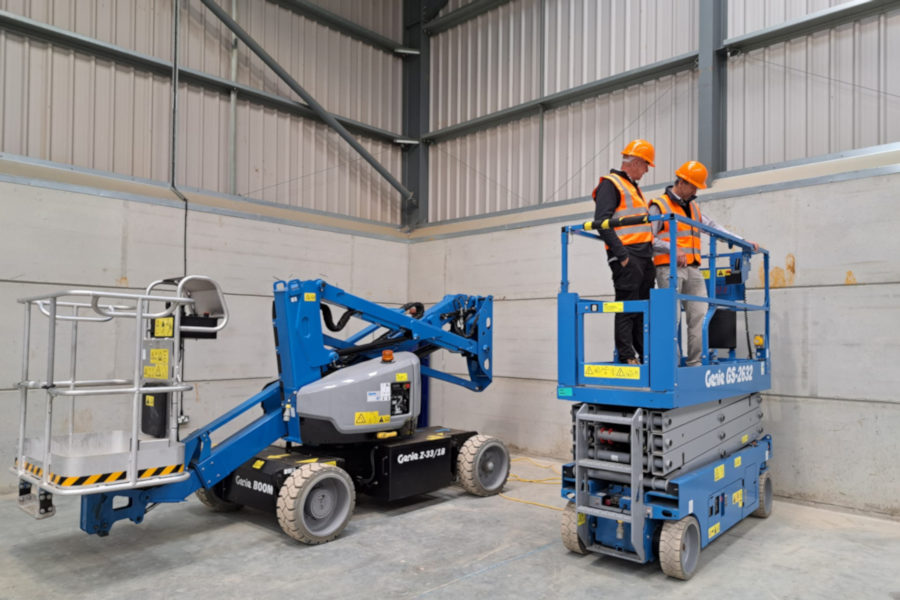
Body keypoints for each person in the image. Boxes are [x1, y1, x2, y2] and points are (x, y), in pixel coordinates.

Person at [649, 160, 759, 366]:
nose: (694, 192)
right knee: (670, 320)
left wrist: (742, 242)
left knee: (699, 316)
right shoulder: (659, 205)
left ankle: (695, 364)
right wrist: (673, 249)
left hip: (693, 269)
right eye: (693, 187)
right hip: (668, 268)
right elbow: (648, 239)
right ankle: (669, 367)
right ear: (681, 182)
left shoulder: (693, 208)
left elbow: (714, 228)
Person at [591, 139, 657, 365]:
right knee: (627, 306)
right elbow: (601, 222)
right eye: (646, 164)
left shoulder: (632, 187)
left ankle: (643, 354)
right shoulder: (611, 184)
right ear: (636, 162)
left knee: (643, 309)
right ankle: (627, 355)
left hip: (644, 256)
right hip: (628, 255)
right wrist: (622, 256)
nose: (647, 169)